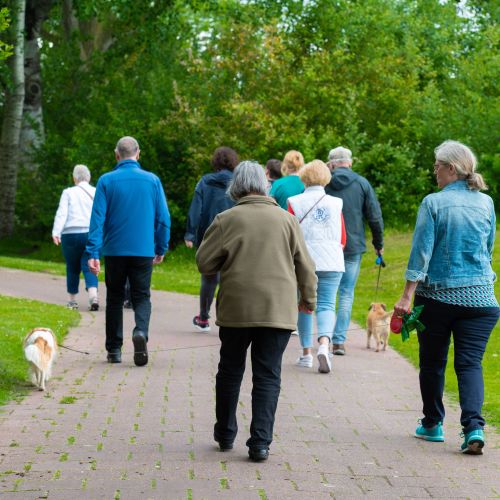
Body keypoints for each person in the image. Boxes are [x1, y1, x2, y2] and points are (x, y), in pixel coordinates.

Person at [196, 161, 317, 462]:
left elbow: (204, 263)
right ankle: (260, 443)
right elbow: (306, 265)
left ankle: (225, 434)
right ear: (264, 185)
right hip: (276, 309)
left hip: (237, 308)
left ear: (235, 186)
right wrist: (309, 300)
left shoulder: (227, 219)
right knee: (267, 375)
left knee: (230, 371)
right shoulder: (286, 220)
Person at [394, 140, 499, 455]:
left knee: (433, 362)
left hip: (439, 297)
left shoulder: (433, 203)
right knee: (470, 364)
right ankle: (474, 428)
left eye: (437, 165)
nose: (434, 170)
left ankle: (432, 424)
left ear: (451, 169)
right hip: (482, 300)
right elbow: (488, 247)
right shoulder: (486, 203)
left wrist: (406, 296)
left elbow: (421, 252)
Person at [86, 136, 171, 366]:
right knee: (141, 296)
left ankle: (114, 350)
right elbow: (163, 218)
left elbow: (97, 220)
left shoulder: (106, 181)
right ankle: (140, 331)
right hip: (143, 250)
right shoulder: (152, 181)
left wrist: (93, 252)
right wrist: (161, 247)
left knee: (114, 297)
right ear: (138, 153)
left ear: (117, 155)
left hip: (114, 250)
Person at [288, 160, 346, 373]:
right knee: (327, 305)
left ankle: (306, 354)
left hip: (304, 261)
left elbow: (290, 233)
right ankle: (324, 344)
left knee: (305, 305)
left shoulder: (294, 201)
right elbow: (342, 237)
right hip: (332, 260)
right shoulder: (336, 202)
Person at [325, 146, 384, 355]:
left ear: (331, 163)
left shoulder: (323, 182)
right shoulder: (361, 183)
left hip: (328, 245)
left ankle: (325, 338)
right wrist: (379, 243)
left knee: (327, 293)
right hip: (353, 245)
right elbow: (374, 216)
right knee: (346, 292)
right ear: (349, 162)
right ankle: (339, 341)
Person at [184, 147, 239, 332]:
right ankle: (227, 318)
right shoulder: (239, 183)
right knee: (229, 278)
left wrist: (190, 234)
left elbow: (195, 209)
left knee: (208, 278)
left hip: (209, 235)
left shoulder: (204, 182)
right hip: (234, 234)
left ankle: (203, 318)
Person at [52, 164, 99, 311]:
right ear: (89, 177)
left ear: (74, 178)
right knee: (89, 264)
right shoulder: (96, 191)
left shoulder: (68, 192)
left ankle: (72, 301)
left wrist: (56, 232)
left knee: (72, 267)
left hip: (70, 235)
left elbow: (62, 213)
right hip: (90, 234)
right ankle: (93, 295)